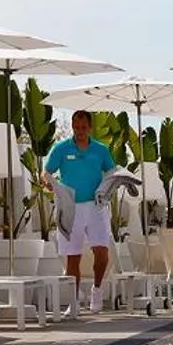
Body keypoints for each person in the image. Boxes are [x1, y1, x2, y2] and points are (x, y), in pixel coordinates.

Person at [45, 110, 118, 312]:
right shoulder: (61, 149)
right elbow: (47, 171)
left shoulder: (101, 150)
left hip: (96, 206)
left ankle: (96, 290)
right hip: (70, 206)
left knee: (102, 253)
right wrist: (49, 183)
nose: (79, 131)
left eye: (83, 127)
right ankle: (74, 302)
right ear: (72, 126)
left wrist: (113, 184)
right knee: (73, 257)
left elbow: (111, 172)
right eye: (76, 127)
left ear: (90, 128)